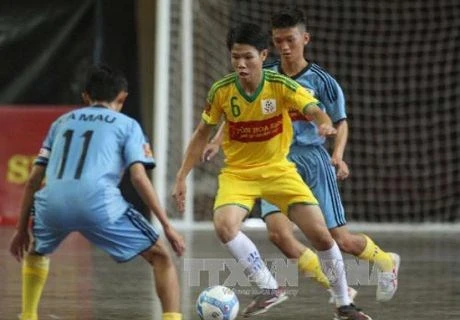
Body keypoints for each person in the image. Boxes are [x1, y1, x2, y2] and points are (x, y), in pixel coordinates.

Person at [173, 22, 371, 320]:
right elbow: (202, 132)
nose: (241, 64)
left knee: (322, 236)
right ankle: (269, 287)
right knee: (224, 225)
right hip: (238, 174)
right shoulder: (222, 91)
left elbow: (312, 107)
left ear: (264, 55)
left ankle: (344, 305)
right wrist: (181, 176)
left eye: (248, 57)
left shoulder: (281, 85)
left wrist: (322, 121)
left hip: (279, 171)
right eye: (235, 57)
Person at [204, 7, 400, 304]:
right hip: (275, 162)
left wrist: (338, 154)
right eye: (278, 40)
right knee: (279, 235)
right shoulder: (264, 74)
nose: (284, 47)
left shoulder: (321, 81)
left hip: (313, 160)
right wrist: (218, 140)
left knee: (339, 239)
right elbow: (236, 116)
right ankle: (341, 291)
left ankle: (385, 261)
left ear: (305, 38)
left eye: (290, 40)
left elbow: (339, 121)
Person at [9, 65, 185, 320]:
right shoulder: (128, 125)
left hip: (52, 204)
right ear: (122, 97)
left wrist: (20, 229)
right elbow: (138, 177)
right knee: (161, 256)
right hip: (98, 204)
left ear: (85, 96)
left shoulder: (61, 122)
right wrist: (167, 225)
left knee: (37, 251)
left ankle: (28, 315)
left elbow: (34, 179)